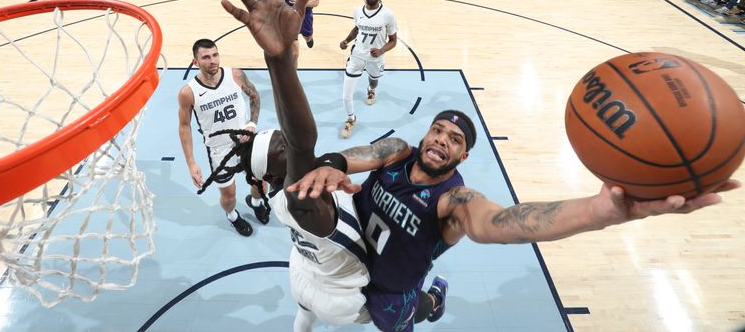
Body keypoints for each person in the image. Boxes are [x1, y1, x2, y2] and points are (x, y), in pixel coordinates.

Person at [287, 114, 740, 332]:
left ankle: (433, 301)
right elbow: (363, 153)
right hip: (353, 261)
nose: (442, 141)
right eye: (439, 131)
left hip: (391, 290)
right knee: (313, 280)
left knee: (403, 321)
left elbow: (499, 223)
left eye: (455, 140)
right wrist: (331, 162)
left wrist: (599, 213)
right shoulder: (399, 151)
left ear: (465, 155)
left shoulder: (454, 199)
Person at [220, 0, 372, 330]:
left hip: (302, 271)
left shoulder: (285, 194)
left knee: (303, 313)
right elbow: (302, 142)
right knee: (403, 299)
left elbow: (298, 146)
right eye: (279, 149)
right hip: (343, 294)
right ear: (275, 176)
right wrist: (280, 62)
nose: (285, 143)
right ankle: (429, 302)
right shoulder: (299, 196)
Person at [177, 38, 268, 237]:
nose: (212, 60)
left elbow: (254, 96)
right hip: (219, 149)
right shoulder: (188, 93)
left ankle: (255, 203)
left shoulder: (235, 75)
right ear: (196, 62)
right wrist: (191, 163)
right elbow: (184, 127)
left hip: (247, 141)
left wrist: (252, 124)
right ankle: (233, 217)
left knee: (261, 183)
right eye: (206, 57)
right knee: (229, 196)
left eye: (215, 55)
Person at [338, 0, 397, 139]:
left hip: (375, 59)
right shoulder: (358, 11)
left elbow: (393, 41)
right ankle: (351, 119)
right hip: (357, 56)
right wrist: (346, 41)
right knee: (345, 95)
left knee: (373, 81)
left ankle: (371, 90)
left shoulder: (388, 15)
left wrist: (381, 50)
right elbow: (357, 29)